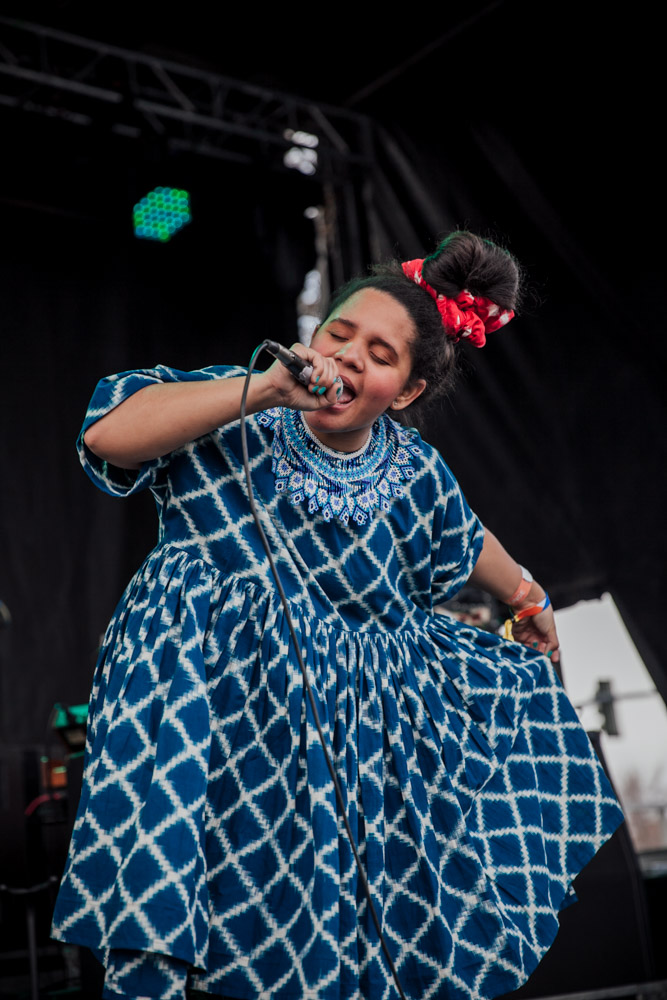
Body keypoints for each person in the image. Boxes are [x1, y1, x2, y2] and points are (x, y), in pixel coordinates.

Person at [52, 231, 623, 1000]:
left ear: (407, 392)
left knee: (319, 936)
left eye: (379, 355)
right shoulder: (234, 402)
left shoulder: (413, 471)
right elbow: (108, 435)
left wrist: (527, 596)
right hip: (198, 701)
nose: (348, 357)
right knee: (176, 906)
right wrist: (264, 391)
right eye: (339, 334)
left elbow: (466, 537)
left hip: (325, 742)